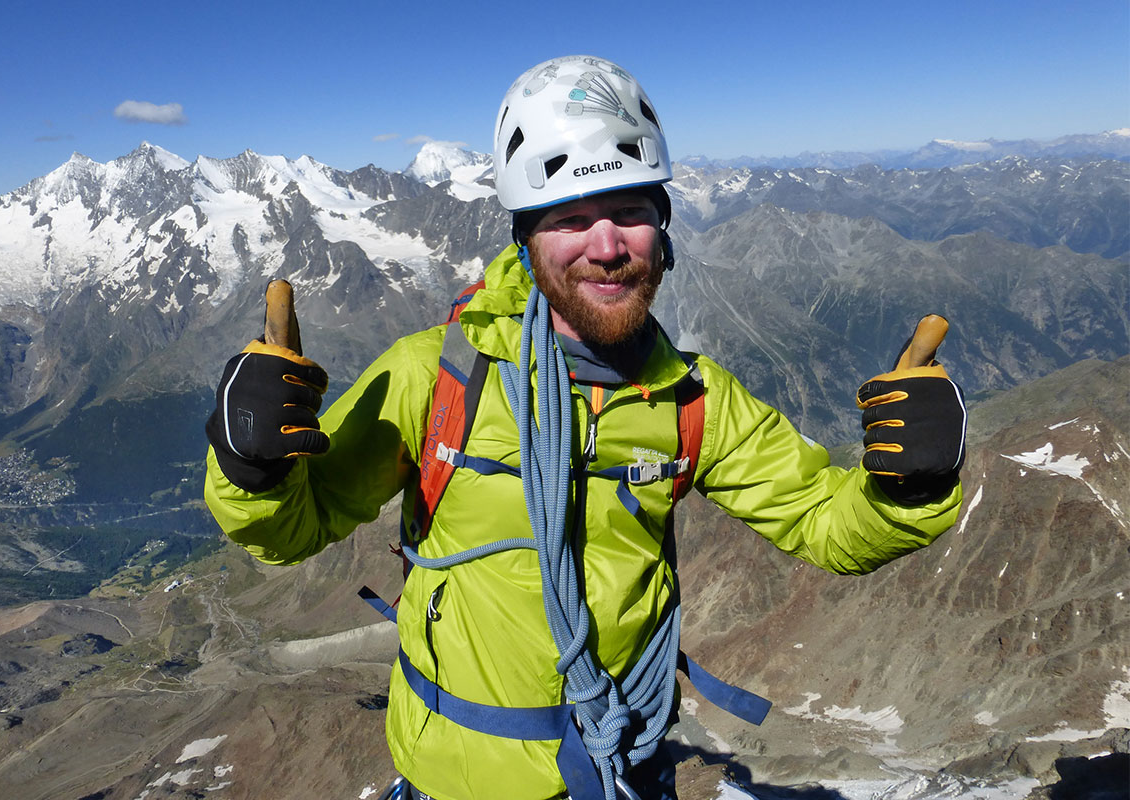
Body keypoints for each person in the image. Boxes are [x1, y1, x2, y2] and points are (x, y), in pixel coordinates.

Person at [204, 55, 966, 800]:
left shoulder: (693, 399)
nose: (606, 246)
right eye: (571, 218)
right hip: (458, 785)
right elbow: (292, 531)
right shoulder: (435, 376)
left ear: (662, 230)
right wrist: (253, 467)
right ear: (527, 241)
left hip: (624, 765)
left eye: (631, 212)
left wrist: (910, 486)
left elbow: (827, 525)